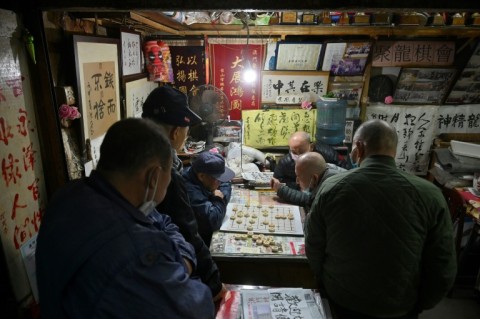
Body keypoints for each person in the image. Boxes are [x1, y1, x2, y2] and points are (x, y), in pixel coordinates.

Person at [36, 118, 214, 318]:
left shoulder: (69, 194)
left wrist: (181, 257)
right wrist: (183, 264)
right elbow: (198, 308)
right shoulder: (137, 253)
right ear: (153, 177)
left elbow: (163, 222)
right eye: (169, 177)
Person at [305, 119, 457, 319]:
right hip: (399, 305)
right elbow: (443, 264)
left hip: (341, 298)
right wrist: (420, 303)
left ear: (359, 148)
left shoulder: (331, 187)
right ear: (394, 149)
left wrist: (325, 282)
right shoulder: (430, 194)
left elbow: (313, 245)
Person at [142, 85, 226, 301]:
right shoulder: (165, 175)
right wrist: (214, 285)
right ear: (175, 132)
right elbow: (187, 230)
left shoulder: (134, 154)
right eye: (186, 130)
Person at [182, 151, 234, 246]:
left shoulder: (204, 176)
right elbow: (212, 220)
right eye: (217, 179)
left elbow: (226, 182)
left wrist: (219, 198)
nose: (220, 182)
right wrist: (218, 200)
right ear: (201, 176)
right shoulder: (189, 189)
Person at [271, 152, 345, 214]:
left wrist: (281, 190)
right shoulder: (323, 170)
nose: (297, 181)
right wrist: (281, 189)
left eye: (299, 177)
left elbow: (309, 201)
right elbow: (309, 199)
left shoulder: (331, 192)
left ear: (314, 178)